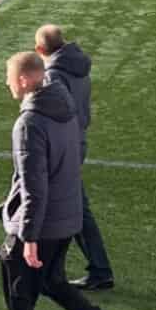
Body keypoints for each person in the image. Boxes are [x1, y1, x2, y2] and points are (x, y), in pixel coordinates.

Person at [0, 52, 137, 310]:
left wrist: (29, 237)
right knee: (53, 283)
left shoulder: (29, 123)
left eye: (9, 77)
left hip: (42, 222)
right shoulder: (63, 108)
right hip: (66, 215)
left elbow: (34, 185)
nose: (7, 83)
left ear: (24, 80)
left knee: (18, 287)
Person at [34, 25, 114, 290]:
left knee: (66, 204)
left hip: (61, 146)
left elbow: (56, 113)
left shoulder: (53, 75)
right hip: (75, 142)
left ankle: (99, 269)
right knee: (35, 194)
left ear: (40, 49)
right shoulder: (78, 68)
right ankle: (13, 250)